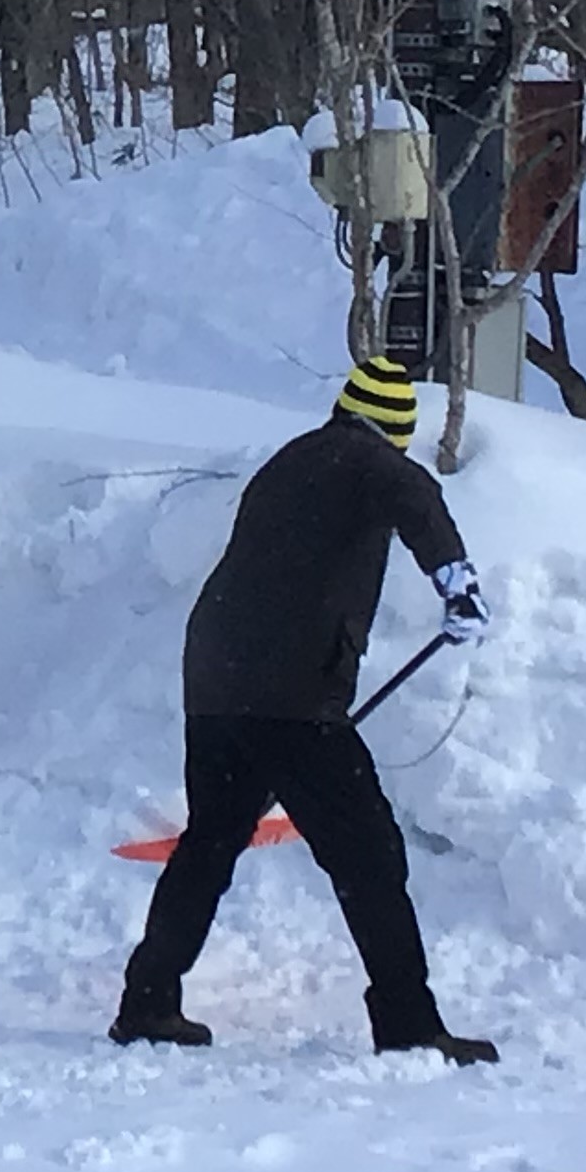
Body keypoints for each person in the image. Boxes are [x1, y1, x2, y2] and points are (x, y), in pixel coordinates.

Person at [110, 354, 496, 1063]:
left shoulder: (291, 462)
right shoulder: (368, 461)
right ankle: (410, 1024)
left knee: (211, 840)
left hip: (218, 681)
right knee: (370, 854)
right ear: (388, 430)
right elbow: (413, 494)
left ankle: (148, 1001)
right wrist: (457, 580)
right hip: (293, 697)